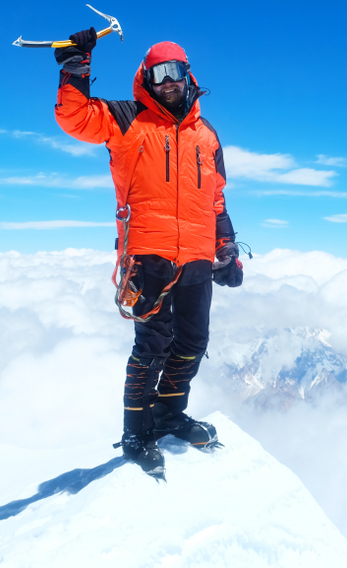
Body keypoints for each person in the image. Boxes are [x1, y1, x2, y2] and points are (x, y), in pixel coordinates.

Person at [53, 28, 243, 478]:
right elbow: (75, 118)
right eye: (159, 74)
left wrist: (227, 247)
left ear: (187, 75)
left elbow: (215, 200)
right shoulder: (127, 118)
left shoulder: (207, 136)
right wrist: (76, 66)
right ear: (146, 78)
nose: (169, 81)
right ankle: (137, 431)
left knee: (193, 341)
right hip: (148, 254)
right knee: (152, 345)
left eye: (175, 71)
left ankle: (169, 414)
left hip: (197, 254)